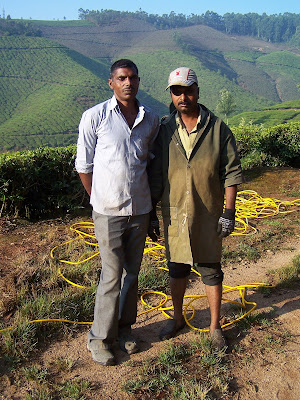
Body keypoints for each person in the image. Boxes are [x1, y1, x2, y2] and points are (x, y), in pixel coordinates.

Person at [148, 67, 243, 349]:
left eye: (188, 90)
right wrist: (152, 214)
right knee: (176, 268)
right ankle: (177, 318)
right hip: (175, 211)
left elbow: (231, 173)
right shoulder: (164, 130)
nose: (183, 97)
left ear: (198, 91)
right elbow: (155, 175)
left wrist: (229, 212)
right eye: (177, 92)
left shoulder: (218, 129)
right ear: (171, 95)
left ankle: (215, 327)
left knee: (211, 268)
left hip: (208, 211)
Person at [75, 59, 159, 366]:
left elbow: (149, 164)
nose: (128, 83)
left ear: (139, 81)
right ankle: (99, 338)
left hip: (140, 209)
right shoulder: (95, 116)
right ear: (111, 82)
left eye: (133, 78)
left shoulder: (150, 118)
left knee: (132, 273)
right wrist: (99, 198)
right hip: (108, 211)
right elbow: (84, 166)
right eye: (122, 78)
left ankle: (125, 329)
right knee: (111, 274)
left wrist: (151, 211)